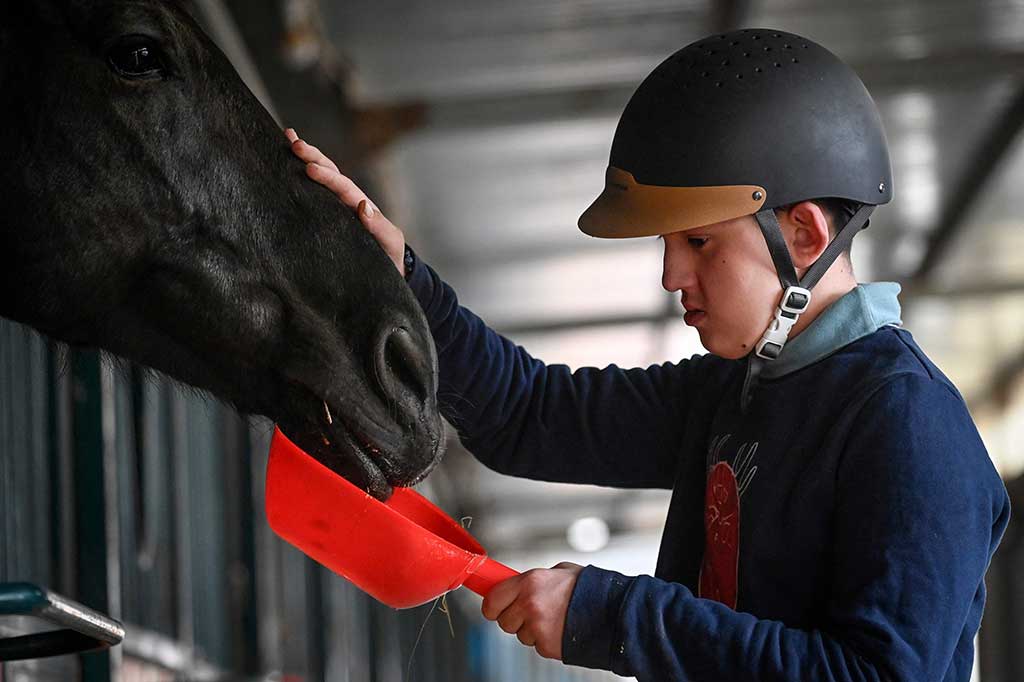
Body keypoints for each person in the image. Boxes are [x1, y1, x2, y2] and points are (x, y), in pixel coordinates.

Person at [285, 27, 1010, 682]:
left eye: (699, 242)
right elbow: (531, 415)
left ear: (806, 236)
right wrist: (405, 283)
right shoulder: (733, 390)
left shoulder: (908, 424)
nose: (671, 277)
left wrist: (616, 619)